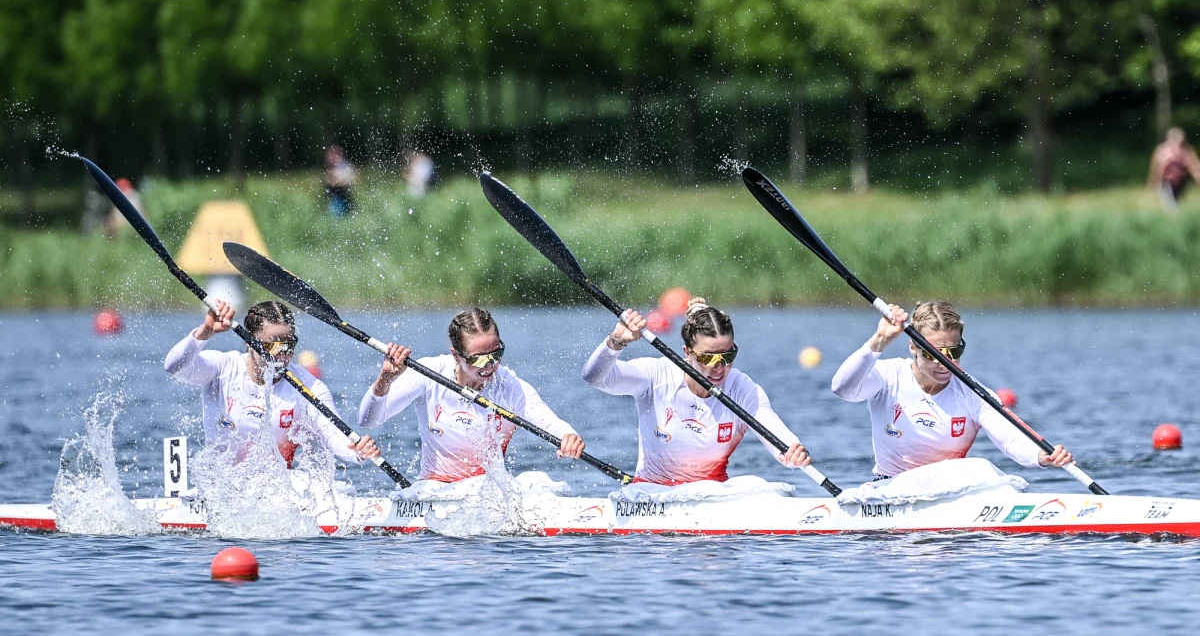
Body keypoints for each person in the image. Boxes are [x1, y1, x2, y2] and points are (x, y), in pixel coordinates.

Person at [831, 300, 1073, 481]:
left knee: (984, 470)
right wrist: (878, 341)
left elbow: (1010, 438)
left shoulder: (973, 392)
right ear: (913, 347)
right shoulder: (889, 376)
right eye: (933, 353)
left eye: (953, 352)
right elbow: (843, 389)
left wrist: (1041, 457)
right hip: (890, 489)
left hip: (948, 491)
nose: (944, 362)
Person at [582, 298, 811, 485]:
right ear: (687, 352)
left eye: (728, 356)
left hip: (711, 500)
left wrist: (792, 453)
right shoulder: (657, 375)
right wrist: (615, 342)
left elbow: (776, 435)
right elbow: (595, 377)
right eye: (707, 357)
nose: (719, 367)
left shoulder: (742, 389)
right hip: (652, 495)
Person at [358, 307, 585, 483]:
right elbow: (368, 420)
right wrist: (385, 379)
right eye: (479, 359)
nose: (490, 365)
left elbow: (548, 421)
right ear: (456, 355)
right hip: (435, 489)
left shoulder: (509, 385)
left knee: (538, 483)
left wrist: (568, 436)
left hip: (487, 493)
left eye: (496, 354)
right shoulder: (429, 373)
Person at [165, 299, 379, 467]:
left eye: (289, 346)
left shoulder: (309, 387)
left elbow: (334, 435)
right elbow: (174, 366)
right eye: (272, 347)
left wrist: (357, 452)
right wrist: (205, 332)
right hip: (222, 489)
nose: (282, 355)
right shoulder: (222, 368)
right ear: (249, 342)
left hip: (276, 493)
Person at [1147, 127, 1200, 213]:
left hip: (1180, 183)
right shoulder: (1162, 151)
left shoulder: (1186, 151)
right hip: (1165, 183)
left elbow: (1195, 167)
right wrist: (1153, 184)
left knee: (1175, 204)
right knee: (1172, 208)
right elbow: (1157, 169)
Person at [322, 145, 358, 216]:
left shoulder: (345, 166)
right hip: (334, 197)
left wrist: (337, 180)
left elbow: (352, 178)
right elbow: (327, 181)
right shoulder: (330, 167)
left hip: (344, 196)